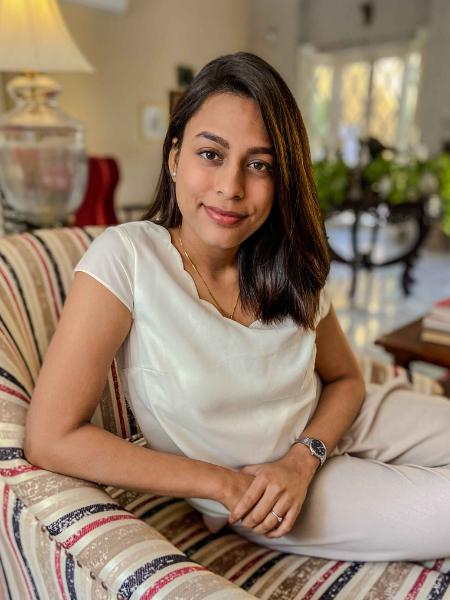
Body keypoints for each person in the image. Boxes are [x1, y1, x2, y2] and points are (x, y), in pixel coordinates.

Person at [25, 52, 450, 563]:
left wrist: (306, 455)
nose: (231, 188)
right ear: (174, 156)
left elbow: (346, 380)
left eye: (259, 164)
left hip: (332, 428)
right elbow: (51, 436)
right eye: (211, 154)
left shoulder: (289, 262)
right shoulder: (127, 258)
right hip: (263, 490)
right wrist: (221, 486)